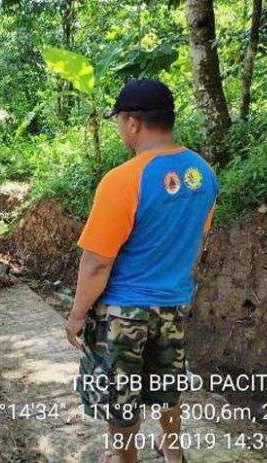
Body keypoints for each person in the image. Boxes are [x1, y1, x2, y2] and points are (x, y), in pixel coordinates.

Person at [65, 79, 217, 463]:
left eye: (119, 121)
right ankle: (172, 448)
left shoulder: (123, 180)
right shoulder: (203, 174)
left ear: (133, 123)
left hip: (123, 313)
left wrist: (77, 315)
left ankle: (124, 459)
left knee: (121, 399)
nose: (119, 128)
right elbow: (196, 241)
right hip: (173, 305)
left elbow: (98, 262)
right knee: (168, 386)